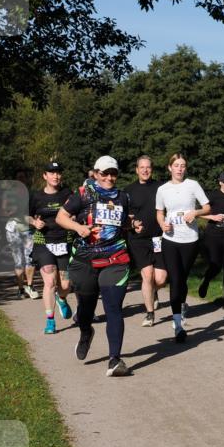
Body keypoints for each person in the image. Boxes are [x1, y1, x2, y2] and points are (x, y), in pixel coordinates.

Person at [56, 155, 132, 377]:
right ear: (96, 173)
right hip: (85, 259)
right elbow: (61, 217)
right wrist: (78, 228)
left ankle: (114, 360)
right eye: (105, 173)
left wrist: (132, 225)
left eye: (113, 173)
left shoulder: (123, 197)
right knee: (86, 309)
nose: (109, 177)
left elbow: (123, 222)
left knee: (113, 307)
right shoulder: (83, 194)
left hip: (115, 257)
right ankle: (86, 331)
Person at [155, 153, 210, 342]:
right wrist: (162, 224)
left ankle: (182, 305)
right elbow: (160, 212)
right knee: (175, 279)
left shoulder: (193, 185)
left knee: (182, 278)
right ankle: (177, 323)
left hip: (190, 240)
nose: (180, 168)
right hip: (170, 239)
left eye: (183, 165)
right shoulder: (162, 189)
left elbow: (207, 207)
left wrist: (195, 212)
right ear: (169, 168)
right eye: (176, 165)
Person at [29, 161, 74, 334]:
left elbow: (76, 211)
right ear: (45, 176)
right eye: (52, 172)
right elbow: (25, 215)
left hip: (64, 241)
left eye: (58, 172)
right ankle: (50, 320)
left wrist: (74, 218)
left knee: (65, 284)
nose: (55, 176)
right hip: (43, 242)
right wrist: (34, 222)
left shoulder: (67, 193)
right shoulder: (36, 196)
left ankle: (61, 299)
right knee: (50, 282)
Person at [126, 155, 168, 327]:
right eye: (142, 167)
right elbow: (126, 217)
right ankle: (150, 314)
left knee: (161, 279)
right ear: (137, 170)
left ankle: (153, 292)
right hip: (138, 240)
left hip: (158, 238)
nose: (145, 170)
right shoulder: (128, 190)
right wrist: (133, 224)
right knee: (148, 275)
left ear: (152, 169)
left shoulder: (161, 188)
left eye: (148, 167)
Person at [197, 170, 224, 309]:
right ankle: (206, 280)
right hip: (213, 236)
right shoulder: (212, 196)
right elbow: (198, 212)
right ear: (220, 182)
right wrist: (212, 217)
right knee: (215, 264)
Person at [14, 168, 39, 297]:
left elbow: (36, 209)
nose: (21, 180)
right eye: (19, 177)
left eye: (23, 177)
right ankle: (20, 288)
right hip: (14, 230)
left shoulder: (32, 193)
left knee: (30, 259)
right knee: (18, 260)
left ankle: (30, 285)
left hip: (29, 229)